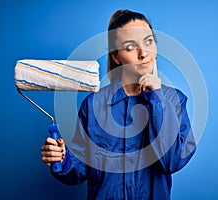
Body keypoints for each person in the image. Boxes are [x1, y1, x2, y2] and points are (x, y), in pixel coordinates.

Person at [41, 9, 196, 200]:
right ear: (116, 56)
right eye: (130, 47)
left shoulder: (174, 101)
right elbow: (81, 168)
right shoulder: (94, 105)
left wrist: (156, 98)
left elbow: (172, 161)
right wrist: (62, 159)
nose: (143, 54)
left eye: (148, 41)